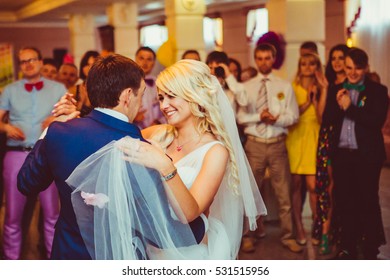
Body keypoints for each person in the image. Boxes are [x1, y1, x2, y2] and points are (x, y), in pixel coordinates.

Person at [64, 59, 266, 259]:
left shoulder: (215, 152)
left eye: (171, 96)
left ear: (194, 96)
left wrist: (164, 165)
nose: (164, 105)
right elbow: (107, 143)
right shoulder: (156, 134)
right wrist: (74, 124)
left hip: (188, 252)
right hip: (151, 247)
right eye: (161, 98)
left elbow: (189, 213)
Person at [17, 54, 206, 260]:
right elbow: (163, 233)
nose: (140, 102)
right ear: (127, 96)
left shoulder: (59, 133)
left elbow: (26, 183)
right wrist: (204, 224)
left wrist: (52, 128)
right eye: (141, 94)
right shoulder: (142, 151)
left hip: (68, 256)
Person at [0, 47, 65, 259]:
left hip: (47, 154)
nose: (28, 64)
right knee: (12, 216)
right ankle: (11, 264)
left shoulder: (58, 88)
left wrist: (56, 119)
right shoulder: (10, 90)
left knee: (52, 214)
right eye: (23, 61)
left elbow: (72, 116)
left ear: (39, 61)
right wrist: (6, 127)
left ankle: (52, 262)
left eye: (32, 60)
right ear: (20, 65)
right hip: (16, 154)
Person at [323, 48, 388, 259]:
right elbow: (327, 120)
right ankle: (347, 246)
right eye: (349, 67)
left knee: (367, 200)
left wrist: (349, 107)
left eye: (357, 68)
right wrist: (336, 102)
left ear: (366, 68)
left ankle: (371, 247)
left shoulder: (378, 90)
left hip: (367, 156)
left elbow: (374, 121)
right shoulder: (338, 89)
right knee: (344, 201)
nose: (352, 72)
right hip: (343, 155)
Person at [237, 43, 301, 253]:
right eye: (260, 58)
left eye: (268, 58)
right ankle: (248, 235)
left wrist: (276, 120)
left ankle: (288, 235)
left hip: (276, 145)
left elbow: (294, 116)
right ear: (255, 59)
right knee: (251, 193)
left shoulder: (284, 86)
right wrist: (259, 117)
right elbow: (240, 117)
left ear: (274, 59)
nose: (264, 62)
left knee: (283, 194)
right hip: (254, 145)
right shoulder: (246, 86)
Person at [285, 52, 328, 246]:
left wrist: (320, 94)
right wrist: (308, 102)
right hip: (295, 137)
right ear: (299, 66)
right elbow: (291, 117)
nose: (308, 67)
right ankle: (299, 227)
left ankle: (317, 227)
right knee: (295, 186)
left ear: (317, 66)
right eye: (304, 64)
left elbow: (321, 118)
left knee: (314, 187)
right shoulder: (291, 88)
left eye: (312, 64)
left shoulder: (321, 87)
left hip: (313, 137)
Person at [312, 44, 349, 254]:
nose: (336, 61)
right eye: (333, 58)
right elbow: (320, 117)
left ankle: (340, 231)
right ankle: (324, 231)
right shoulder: (325, 84)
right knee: (325, 187)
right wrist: (325, 89)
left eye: (340, 57)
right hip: (326, 138)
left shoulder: (352, 85)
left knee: (341, 187)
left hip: (344, 140)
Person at [134, 46, 165, 129]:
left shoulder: (160, 84)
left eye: (149, 59)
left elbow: (165, 108)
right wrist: (133, 117)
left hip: (156, 132)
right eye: (141, 58)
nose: (145, 62)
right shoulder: (126, 83)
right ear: (135, 59)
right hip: (134, 132)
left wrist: (158, 122)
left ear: (153, 62)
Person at [69, 50, 99, 117]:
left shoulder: (105, 89)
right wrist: (81, 102)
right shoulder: (74, 90)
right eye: (87, 64)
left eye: (93, 64)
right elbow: (70, 117)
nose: (90, 68)